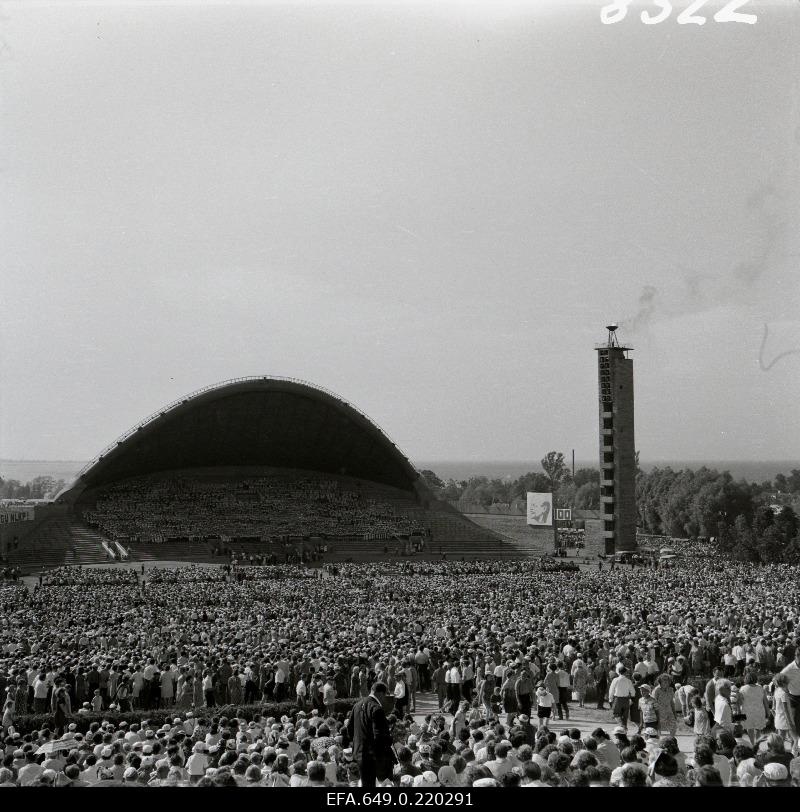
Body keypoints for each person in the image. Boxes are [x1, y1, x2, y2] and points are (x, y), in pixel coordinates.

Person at [346, 681, 394, 788]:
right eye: (385, 695)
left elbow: (349, 728)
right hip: (372, 756)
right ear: (381, 694)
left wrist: (357, 743)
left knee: (365, 783)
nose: (384, 698)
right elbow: (379, 735)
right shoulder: (377, 708)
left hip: (358, 753)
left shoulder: (357, 705)